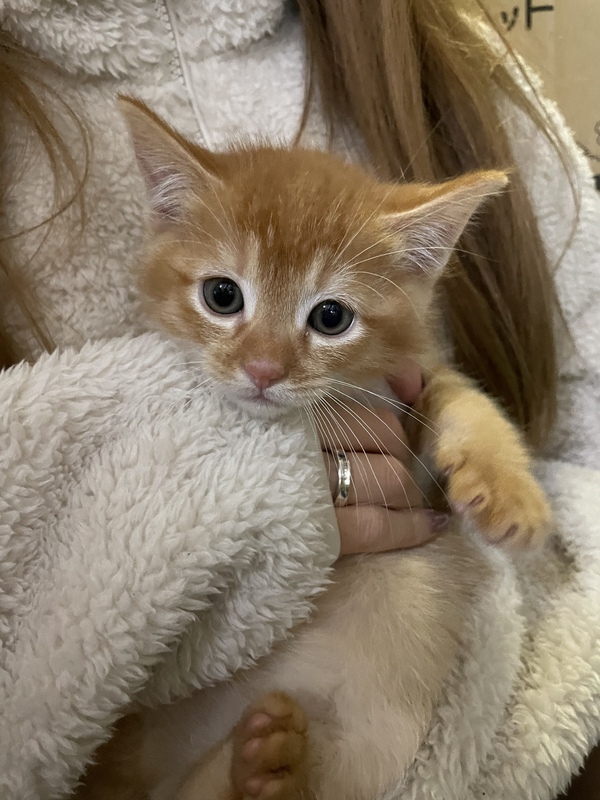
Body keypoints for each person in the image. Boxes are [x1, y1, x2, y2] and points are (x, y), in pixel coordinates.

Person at [0, 1, 598, 797]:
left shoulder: (440, 56)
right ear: (164, 212)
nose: (265, 365)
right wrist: (280, 500)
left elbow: (442, 395)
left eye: (327, 318)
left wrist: (489, 462)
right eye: (224, 297)